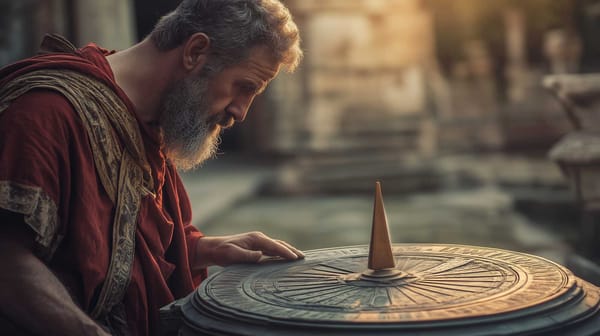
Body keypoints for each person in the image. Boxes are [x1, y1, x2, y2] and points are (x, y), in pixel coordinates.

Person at [0, 0, 304, 335]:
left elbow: (117, 246)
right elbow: (8, 263)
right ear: (195, 51)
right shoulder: (44, 114)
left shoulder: (149, 120)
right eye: (244, 86)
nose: (241, 112)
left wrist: (203, 249)